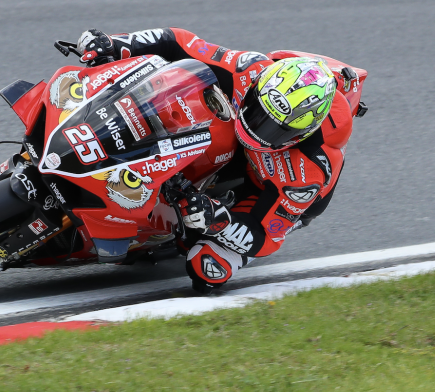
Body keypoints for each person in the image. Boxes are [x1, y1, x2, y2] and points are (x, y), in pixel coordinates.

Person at [76, 28, 357, 294]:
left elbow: (267, 234)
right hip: (227, 137)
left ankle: (172, 230)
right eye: (257, 110)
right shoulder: (248, 69)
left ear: (301, 134)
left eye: (275, 129)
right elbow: (178, 42)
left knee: (206, 268)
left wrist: (218, 219)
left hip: (261, 188)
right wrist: (118, 44)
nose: (256, 128)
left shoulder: (308, 171)